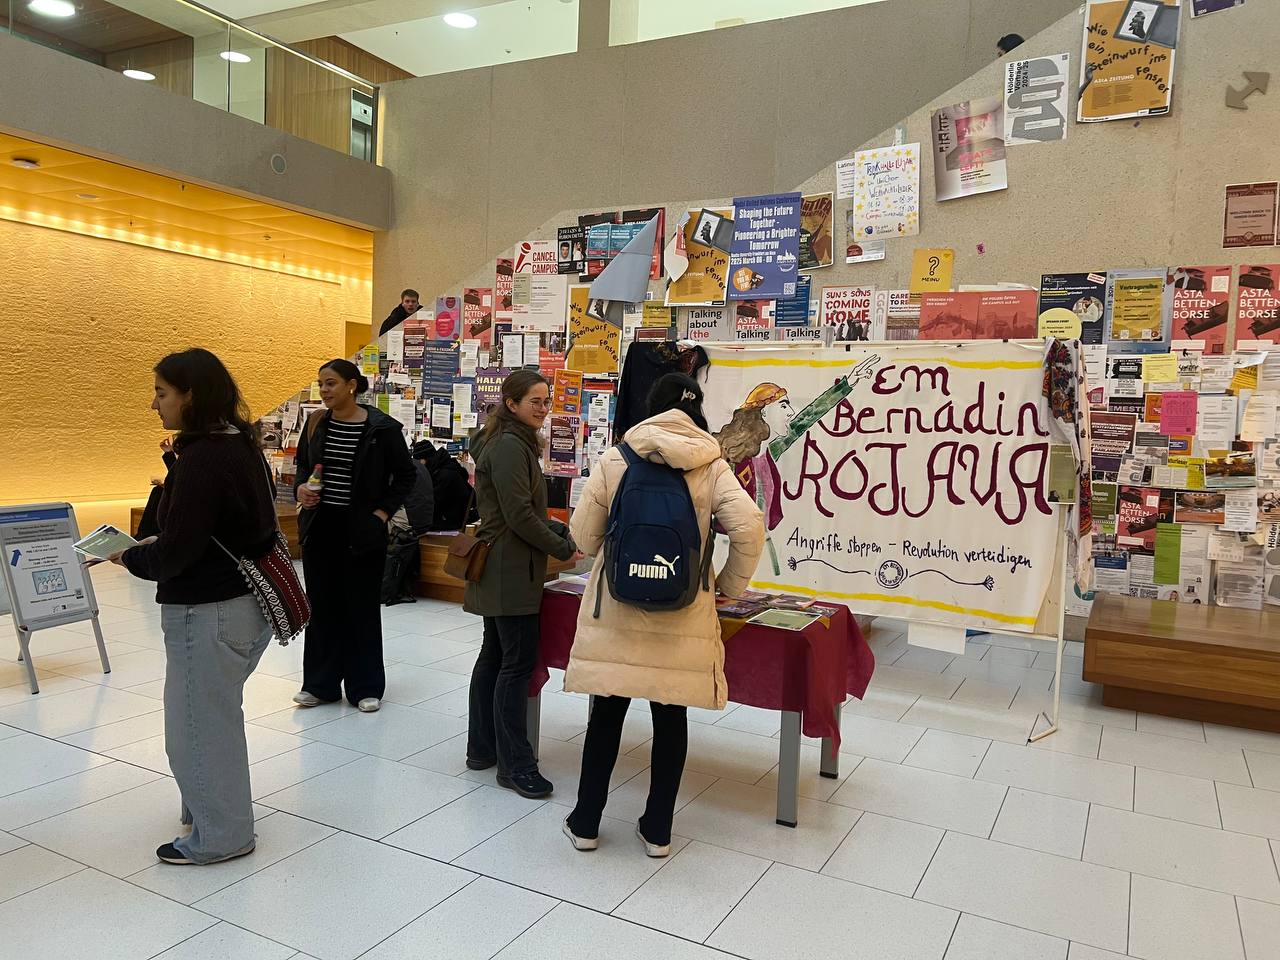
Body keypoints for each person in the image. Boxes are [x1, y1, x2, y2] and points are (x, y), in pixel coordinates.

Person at [562, 373, 764, 855]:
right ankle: (657, 831)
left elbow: (584, 538)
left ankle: (586, 823)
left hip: (617, 608)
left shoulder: (617, 457)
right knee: (671, 717)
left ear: (651, 407)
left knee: (607, 715)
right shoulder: (712, 465)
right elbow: (750, 528)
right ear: (697, 412)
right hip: (683, 611)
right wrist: (728, 587)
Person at [113, 348, 277, 866]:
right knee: (213, 717)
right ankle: (208, 811)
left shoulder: (203, 458)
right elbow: (212, 529)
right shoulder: (238, 443)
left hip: (208, 612)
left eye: (161, 393)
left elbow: (175, 554)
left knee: (196, 729)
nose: (154, 404)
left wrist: (128, 556)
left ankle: (222, 836)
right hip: (242, 605)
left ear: (191, 395)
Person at [464, 370, 580, 799]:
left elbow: (516, 509)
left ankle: (482, 749)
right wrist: (561, 548)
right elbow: (519, 517)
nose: (544, 408)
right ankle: (515, 766)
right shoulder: (512, 446)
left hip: (500, 564)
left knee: (494, 656)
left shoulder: (504, 441)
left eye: (547, 401)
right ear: (511, 403)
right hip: (509, 570)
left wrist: (556, 529)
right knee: (515, 665)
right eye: (535, 401)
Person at [293, 359, 415, 712]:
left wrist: (381, 514)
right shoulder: (316, 423)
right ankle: (320, 685)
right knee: (322, 606)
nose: (324, 390)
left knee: (361, 608)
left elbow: (406, 477)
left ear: (351, 385)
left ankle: (365, 687)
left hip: (363, 529)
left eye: (331, 383)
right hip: (321, 527)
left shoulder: (382, 429)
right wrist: (302, 489)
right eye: (321, 383)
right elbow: (303, 466)